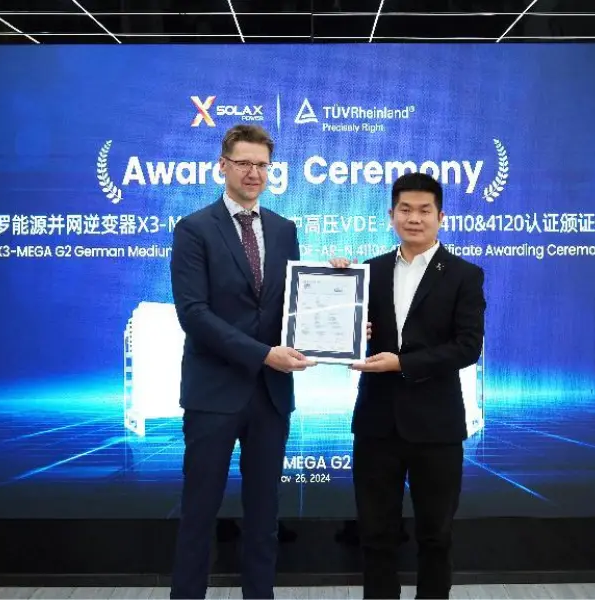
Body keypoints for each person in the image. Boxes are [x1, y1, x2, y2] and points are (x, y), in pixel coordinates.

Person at [169, 124, 314, 600]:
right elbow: (194, 314)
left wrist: (333, 293)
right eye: (244, 163)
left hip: (270, 397)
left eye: (262, 165)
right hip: (214, 393)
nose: (254, 173)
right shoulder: (194, 229)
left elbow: (293, 307)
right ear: (223, 166)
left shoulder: (284, 229)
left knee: (264, 515)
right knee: (198, 514)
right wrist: (263, 355)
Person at [331, 171, 486, 599]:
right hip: (377, 424)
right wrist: (335, 286)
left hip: (436, 428)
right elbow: (347, 329)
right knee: (375, 535)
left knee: (436, 536)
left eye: (424, 210)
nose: (414, 218)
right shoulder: (370, 271)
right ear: (391, 215)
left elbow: (467, 347)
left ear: (441, 217)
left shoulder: (464, 275)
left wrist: (402, 363)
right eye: (405, 210)